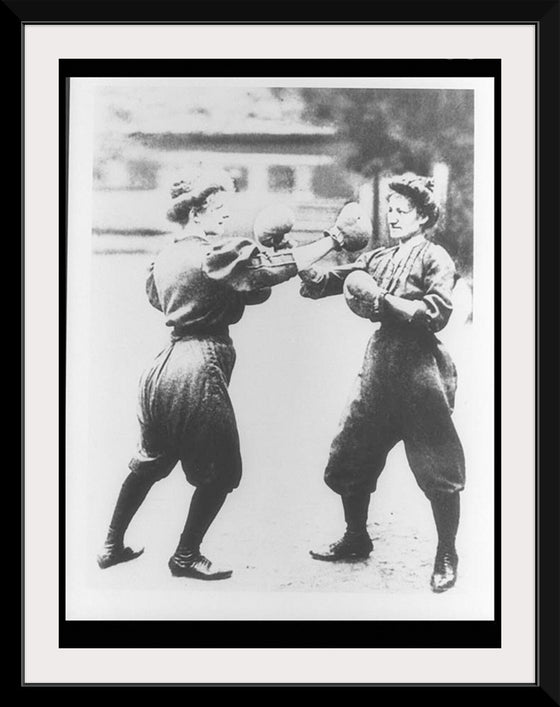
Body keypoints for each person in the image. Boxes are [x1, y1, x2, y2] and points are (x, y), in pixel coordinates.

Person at [97, 169, 370, 581]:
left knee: (151, 461)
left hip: (162, 368)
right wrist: (332, 239)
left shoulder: (167, 256)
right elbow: (264, 274)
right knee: (223, 472)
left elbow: (235, 290)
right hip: (198, 367)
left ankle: (110, 544)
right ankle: (186, 556)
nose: (226, 218)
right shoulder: (211, 254)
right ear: (198, 211)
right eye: (220, 209)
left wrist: (264, 257)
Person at [299, 173, 466, 593]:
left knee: (438, 467)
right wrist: (301, 264)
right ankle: (356, 537)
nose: (392, 217)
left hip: (418, 370)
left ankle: (447, 552)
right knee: (350, 454)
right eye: (389, 210)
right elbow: (335, 281)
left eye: (402, 210)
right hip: (379, 366)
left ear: (424, 215)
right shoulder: (379, 258)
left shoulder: (436, 258)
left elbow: (438, 311)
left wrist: (385, 302)